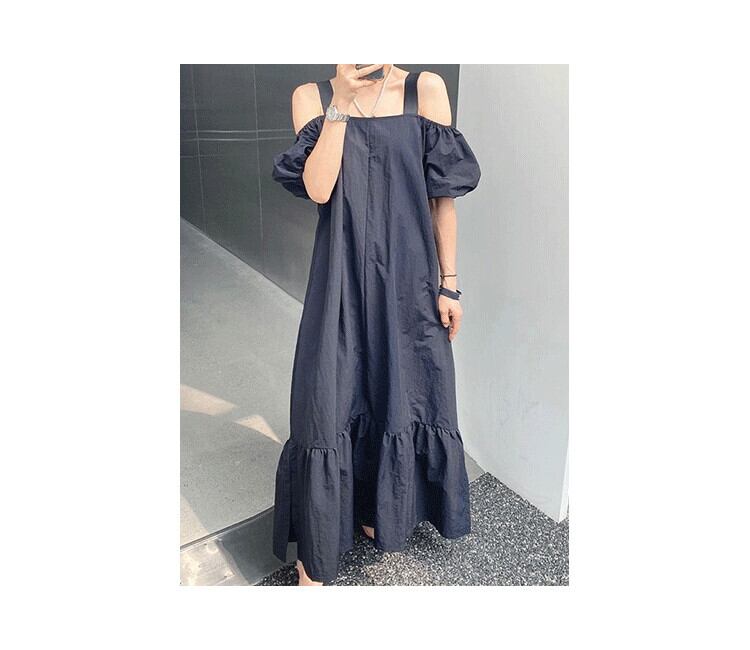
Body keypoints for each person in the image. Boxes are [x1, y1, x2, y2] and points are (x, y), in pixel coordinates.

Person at [271, 64, 481, 585]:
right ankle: (317, 548)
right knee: (327, 399)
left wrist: (449, 283)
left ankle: (378, 510)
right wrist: (340, 105)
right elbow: (319, 189)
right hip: (338, 279)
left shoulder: (424, 89)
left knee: (399, 393)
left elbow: (442, 199)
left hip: (408, 280)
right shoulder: (312, 97)